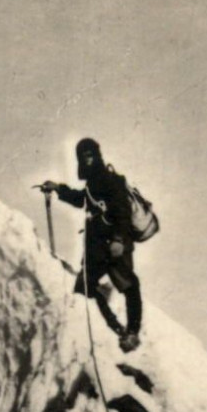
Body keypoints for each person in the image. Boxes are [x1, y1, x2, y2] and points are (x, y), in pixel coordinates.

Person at [44, 138, 144, 352]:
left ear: (97, 156)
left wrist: (118, 240)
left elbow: (123, 212)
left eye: (90, 155)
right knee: (84, 286)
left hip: (114, 245)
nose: (87, 159)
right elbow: (81, 199)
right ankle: (116, 328)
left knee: (129, 285)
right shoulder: (92, 185)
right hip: (97, 248)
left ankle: (132, 332)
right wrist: (58, 188)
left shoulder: (111, 180)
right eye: (83, 156)